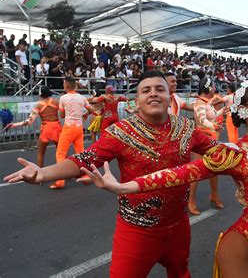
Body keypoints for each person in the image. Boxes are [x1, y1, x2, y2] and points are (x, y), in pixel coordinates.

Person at [78, 80, 248, 278]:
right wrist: (125, 186)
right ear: (244, 110)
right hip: (241, 248)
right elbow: (180, 174)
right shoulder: (235, 154)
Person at [4, 70, 219, 278]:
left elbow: (218, 151)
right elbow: (84, 160)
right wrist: (42, 173)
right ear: (137, 101)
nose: (153, 93)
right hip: (136, 231)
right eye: (146, 90)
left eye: (159, 89)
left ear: (169, 95)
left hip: (179, 227)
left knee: (180, 273)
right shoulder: (122, 132)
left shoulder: (186, 128)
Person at [188, 77, 226, 215]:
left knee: (214, 169)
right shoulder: (199, 103)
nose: (215, 89)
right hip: (201, 139)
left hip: (211, 139)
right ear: (208, 88)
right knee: (196, 171)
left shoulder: (207, 103)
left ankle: (214, 195)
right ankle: (190, 200)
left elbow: (213, 115)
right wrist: (213, 126)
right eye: (214, 86)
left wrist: (224, 111)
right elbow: (203, 120)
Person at [51, 76, 96, 189]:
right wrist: (85, 114)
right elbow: (91, 109)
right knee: (80, 153)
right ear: (75, 85)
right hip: (79, 127)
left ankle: (60, 181)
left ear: (66, 85)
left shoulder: (63, 98)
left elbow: (61, 115)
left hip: (68, 127)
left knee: (60, 153)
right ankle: (85, 176)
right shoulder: (81, 97)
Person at [4, 86, 61, 167]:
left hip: (46, 129)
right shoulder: (56, 102)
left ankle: (40, 174)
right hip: (57, 128)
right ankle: (64, 173)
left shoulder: (38, 106)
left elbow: (29, 121)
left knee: (41, 153)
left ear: (40, 94)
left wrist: (14, 124)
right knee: (61, 152)